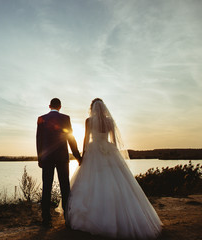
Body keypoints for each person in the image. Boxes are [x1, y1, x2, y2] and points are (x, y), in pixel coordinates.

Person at [67, 98, 162, 239]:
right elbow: (114, 141)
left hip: (94, 151)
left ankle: (96, 217)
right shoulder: (110, 121)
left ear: (92, 108)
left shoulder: (88, 121)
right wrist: (114, 153)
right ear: (104, 108)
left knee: (93, 181)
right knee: (115, 181)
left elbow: (86, 139)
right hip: (109, 150)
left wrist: (83, 155)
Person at [36, 98, 82, 227]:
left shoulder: (41, 118)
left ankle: (46, 219)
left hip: (47, 158)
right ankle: (68, 219)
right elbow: (70, 138)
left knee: (46, 188)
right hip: (62, 158)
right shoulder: (66, 118)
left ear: (50, 106)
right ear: (60, 106)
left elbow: (39, 140)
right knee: (65, 187)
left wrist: (40, 158)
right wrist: (78, 156)